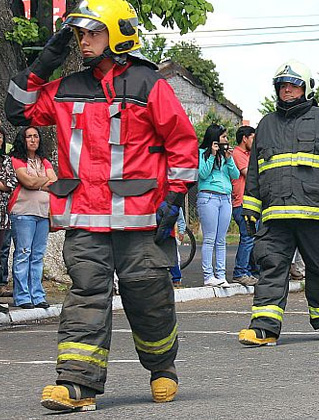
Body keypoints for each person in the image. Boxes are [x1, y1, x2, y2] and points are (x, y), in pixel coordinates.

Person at [5, 0, 198, 410]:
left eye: (93, 32)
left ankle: (163, 368)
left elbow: (181, 143)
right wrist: (46, 60)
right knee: (85, 297)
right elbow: (17, 109)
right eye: (79, 33)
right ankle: (77, 385)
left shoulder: (150, 85)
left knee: (149, 297)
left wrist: (175, 197)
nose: (84, 40)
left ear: (118, 35)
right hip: (86, 220)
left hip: (142, 220)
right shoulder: (65, 87)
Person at [239, 59, 319, 346]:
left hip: (315, 212)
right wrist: (250, 208)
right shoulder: (266, 124)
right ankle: (264, 328)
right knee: (271, 267)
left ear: (305, 88)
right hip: (276, 214)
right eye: (283, 86)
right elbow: (255, 170)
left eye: (293, 85)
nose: (287, 90)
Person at [8, 126, 56, 310]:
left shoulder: (44, 161)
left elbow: (54, 183)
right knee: (23, 253)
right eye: (29, 137)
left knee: (37, 256)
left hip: (43, 213)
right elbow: (27, 182)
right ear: (23, 139)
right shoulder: (16, 160)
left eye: (36, 136)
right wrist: (42, 180)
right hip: (23, 212)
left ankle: (37, 295)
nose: (33, 140)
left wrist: (37, 181)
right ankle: (22, 296)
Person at [197, 124, 240, 288]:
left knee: (221, 240)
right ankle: (208, 276)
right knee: (209, 238)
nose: (226, 140)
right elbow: (203, 173)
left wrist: (228, 159)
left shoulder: (226, 156)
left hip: (225, 198)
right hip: (208, 197)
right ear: (214, 138)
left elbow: (235, 175)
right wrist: (212, 155)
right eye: (224, 137)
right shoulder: (202, 153)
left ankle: (221, 275)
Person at [230, 125, 259, 286]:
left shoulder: (248, 154)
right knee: (247, 238)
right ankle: (240, 272)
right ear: (245, 138)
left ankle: (252, 272)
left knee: (253, 239)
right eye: (253, 138)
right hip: (242, 203)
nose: (254, 141)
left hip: (251, 202)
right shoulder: (237, 153)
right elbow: (250, 173)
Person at [0, 126, 16, 313]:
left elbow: (10, 183)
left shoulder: (6, 160)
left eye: (1, 137)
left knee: (2, 253)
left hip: (3, 215)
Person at [169, 208, 186, 288]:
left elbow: (180, 219)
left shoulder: (174, 203)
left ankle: (177, 279)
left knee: (173, 256)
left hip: (170, 234)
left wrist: (181, 231)